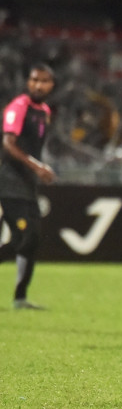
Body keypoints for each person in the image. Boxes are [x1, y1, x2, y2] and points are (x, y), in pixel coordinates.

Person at [0, 63, 56, 310]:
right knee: (26, 236)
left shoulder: (44, 110)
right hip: (10, 183)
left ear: (51, 85)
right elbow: (9, 144)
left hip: (27, 184)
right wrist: (37, 166)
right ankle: (20, 297)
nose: (38, 85)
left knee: (28, 239)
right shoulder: (18, 107)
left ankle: (20, 298)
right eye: (34, 80)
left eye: (44, 81)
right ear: (27, 82)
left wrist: (39, 169)